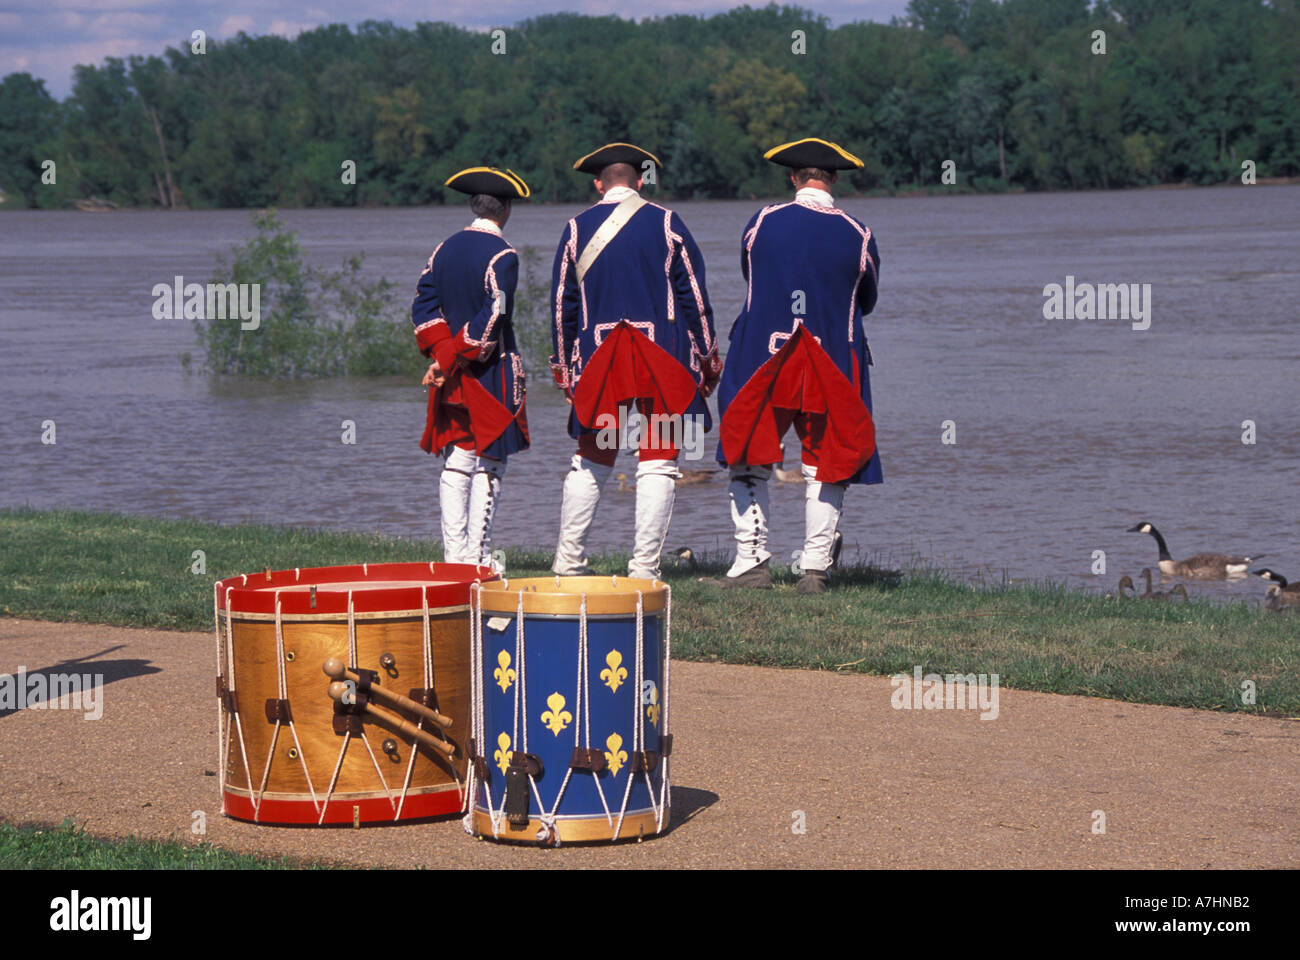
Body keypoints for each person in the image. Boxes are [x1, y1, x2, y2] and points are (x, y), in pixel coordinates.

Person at [711, 138, 882, 594]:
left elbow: (753, 276)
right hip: (832, 361)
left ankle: (751, 563)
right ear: (835, 180)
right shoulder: (858, 234)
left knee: (749, 456)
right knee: (825, 463)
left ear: (793, 177)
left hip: (764, 356)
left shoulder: (763, 222)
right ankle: (814, 570)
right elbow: (867, 299)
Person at [549, 142, 722, 580]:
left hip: (599, 360)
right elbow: (694, 298)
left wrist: (565, 370)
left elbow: (561, 307)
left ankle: (569, 562)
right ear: (640, 180)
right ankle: (643, 571)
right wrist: (706, 357)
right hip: (659, 359)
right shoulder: (666, 222)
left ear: (597, 183)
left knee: (592, 456)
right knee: (658, 459)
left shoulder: (574, 228)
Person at [411, 166, 531, 569]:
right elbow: (493, 317)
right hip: (486, 370)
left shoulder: (442, 248)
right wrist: (454, 358)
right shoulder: (504, 255)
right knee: (491, 459)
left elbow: (423, 308)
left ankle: (454, 558)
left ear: (472, 205)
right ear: (506, 209)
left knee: (458, 458)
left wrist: (443, 356)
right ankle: (477, 558)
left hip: (453, 372)